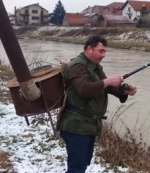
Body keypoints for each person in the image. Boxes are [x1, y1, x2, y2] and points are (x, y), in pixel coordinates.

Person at [57, 35, 137, 173]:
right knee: (77, 167)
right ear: (89, 49)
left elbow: (105, 86)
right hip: (76, 126)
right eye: (101, 51)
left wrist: (124, 90)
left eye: (105, 51)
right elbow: (84, 89)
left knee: (81, 164)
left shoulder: (94, 67)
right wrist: (109, 81)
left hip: (88, 126)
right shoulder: (77, 66)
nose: (104, 55)